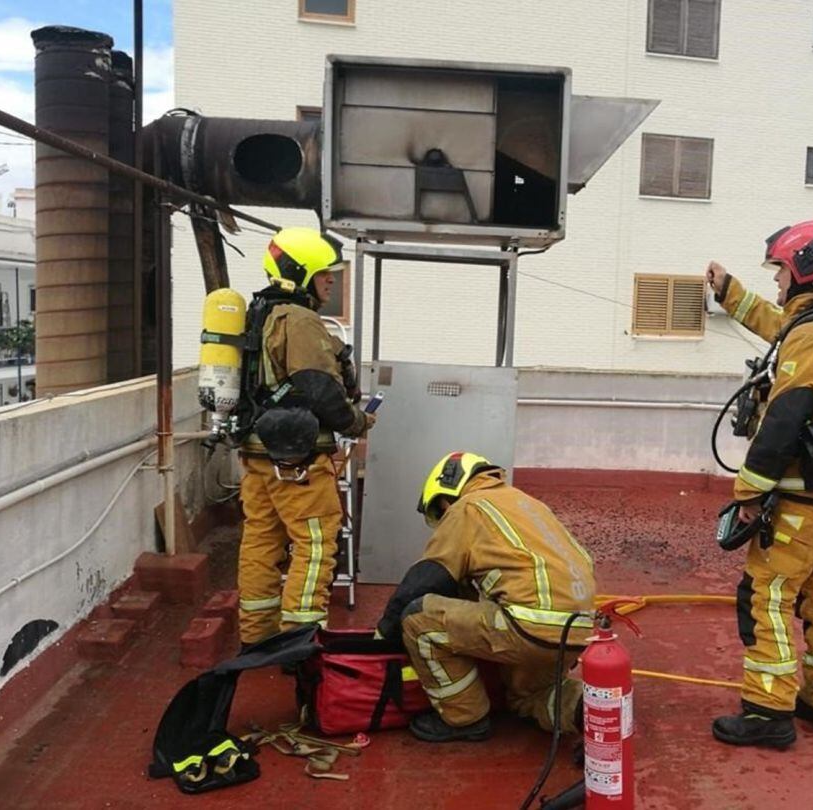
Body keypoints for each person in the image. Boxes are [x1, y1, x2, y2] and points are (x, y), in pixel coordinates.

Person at [706, 220, 813, 748]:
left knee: (766, 596)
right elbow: (775, 321)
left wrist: (748, 495)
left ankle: (767, 711)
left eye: (780, 271)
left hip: (800, 500)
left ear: (805, 271)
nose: (777, 281)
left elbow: (784, 419)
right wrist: (729, 290)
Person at [376, 452, 596, 743]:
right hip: (577, 631)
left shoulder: (467, 507)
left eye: (439, 513)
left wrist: (381, 637)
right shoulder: (525, 503)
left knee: (419, 619)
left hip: (527, 627)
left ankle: (464, 718)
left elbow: (424, 581)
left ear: (445, 497)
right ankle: (592, 709)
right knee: (529, 696)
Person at [237, 227, 374, 647]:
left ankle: (256, 638)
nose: (331, 280)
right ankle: (300, 644)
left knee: (261, 540)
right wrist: (356, 422)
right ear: (300, 273)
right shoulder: (299, 319)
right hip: (297, 460)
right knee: (314, 544)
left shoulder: (258, 314)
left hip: (257, 452)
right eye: (324, 274)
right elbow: (319, 389)